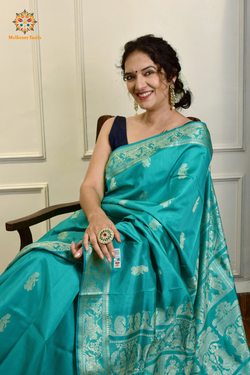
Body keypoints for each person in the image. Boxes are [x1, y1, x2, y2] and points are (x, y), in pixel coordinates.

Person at [0, 35, 249, 374]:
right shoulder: (114, 127)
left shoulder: (193, 136)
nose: (139, 84)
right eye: (130, 76)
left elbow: (175, 215)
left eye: (149, 72)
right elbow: (90, 186)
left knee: (71, 274)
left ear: (171, 75)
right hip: (94, 223)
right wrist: (97, 219)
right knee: (38, 264)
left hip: (149, 244)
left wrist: (111, 235)